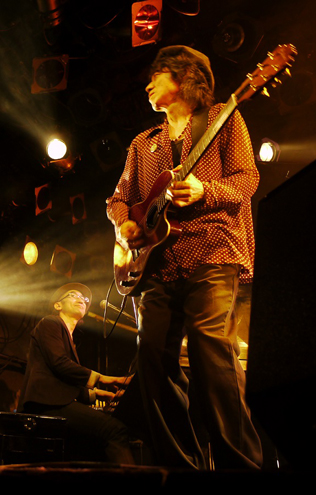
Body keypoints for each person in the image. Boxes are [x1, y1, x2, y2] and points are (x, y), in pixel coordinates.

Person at [106, 45, 262, 469]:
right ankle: (183, 468)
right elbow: (118, 199)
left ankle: (241, 466)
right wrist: (125, 225)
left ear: (183, 76)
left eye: (156, 74)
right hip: (157, 265)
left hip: (212, 250)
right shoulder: (143, 143)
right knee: (152, 362)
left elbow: (248, 178)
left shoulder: (223, 118)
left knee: (213, 356)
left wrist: (205, 190)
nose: (147, 84)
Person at [19, 283, 135, 465]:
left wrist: (101, 395)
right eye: (73, 295)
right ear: (58, 305)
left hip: (53, 402)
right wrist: (104, 379)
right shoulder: (50, 322)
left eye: (84, 298)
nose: (81, 299)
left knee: (93, 445)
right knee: (115, 430)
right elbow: (60, 364)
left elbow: (63, 384)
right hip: (45, 404)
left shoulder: (69, 337)